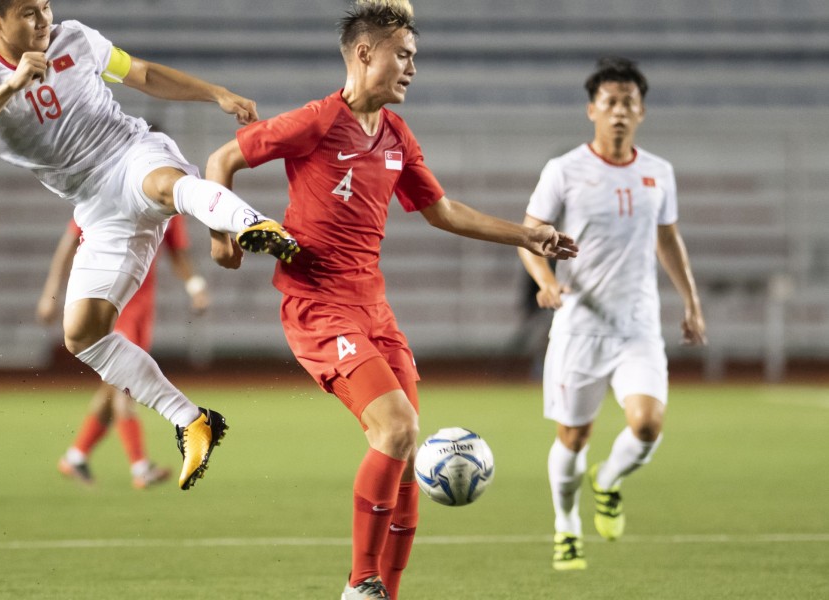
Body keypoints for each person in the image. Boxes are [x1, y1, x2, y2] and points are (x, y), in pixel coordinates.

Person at [206, 2, 578, 597]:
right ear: (363, 53)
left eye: (414, 58)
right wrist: (220, 237)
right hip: (317, 304)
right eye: (402, 55)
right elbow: (222, 159)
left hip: (374, 308)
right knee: (399, 428)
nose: (411, 68)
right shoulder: (317, 121)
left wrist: (526, 233)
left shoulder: (398, 135)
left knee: (403, 455)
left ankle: (388, 593)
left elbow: (443, 211)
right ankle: (359, 585)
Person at [0, 0, 299, 490]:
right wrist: (11, 85)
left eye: (46, 6)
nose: (44, 19)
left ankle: (254, 225)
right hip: (94, 205)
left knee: (160, 185)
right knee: (82, 333)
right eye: (28, 12)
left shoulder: (75, 38)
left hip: (129, 152)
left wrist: (216, 93)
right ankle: (193, 420)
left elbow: (144, 74)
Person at [516, 57, 707, 571]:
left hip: (637, 327)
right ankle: (566, 525)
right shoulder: (565, 170)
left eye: (629, 102)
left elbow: (668, 238)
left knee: (647, 426)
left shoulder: (658, 172)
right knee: (573, 437)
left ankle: (609, 480)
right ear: (592, 111)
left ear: (641, 112)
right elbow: (529, 237)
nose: (619, 111)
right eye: (610, 102)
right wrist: (548, 282)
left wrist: (689, 300)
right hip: (580, 326)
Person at [37, 215, 209, 489]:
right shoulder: (107, 186)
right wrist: (51, 294)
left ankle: (76, 455)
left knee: (113, 384)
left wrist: (195, 286)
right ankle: (140, 466)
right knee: (121, 385)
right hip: (109, 299)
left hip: (141, 306)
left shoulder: (165, 196)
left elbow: (177, 250)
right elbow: (69, 242)